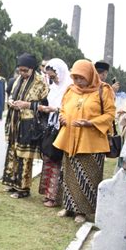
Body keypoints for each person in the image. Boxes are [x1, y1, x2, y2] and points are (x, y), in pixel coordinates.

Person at [54, 60, 115, 223]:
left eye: (81, 78)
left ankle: (82, 211)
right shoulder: (70, 89)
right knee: (68, 174)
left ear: (90, 75)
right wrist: (62, 117)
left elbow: (110, 114)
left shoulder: (103, 90)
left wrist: (90, 122)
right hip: (70, 138)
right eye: (75, 78)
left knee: (87, 177)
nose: (78, 82)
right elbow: (64, 107)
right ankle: (68, 207)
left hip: (91, 142)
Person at [2, 53, 49, 199]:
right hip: (15, 121)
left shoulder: (40, 82)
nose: (22, 73)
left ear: (32, 69)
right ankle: (11, 183)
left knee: (24, 156)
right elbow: (12, 95)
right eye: (20, 70)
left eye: (25, 71)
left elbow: (45, 105)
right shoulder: (18, 80)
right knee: (12, 152)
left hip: (29, 124)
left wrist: (27, 105)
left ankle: (23, 188)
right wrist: (11, 101)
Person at [37, 58, 72, 207]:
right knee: (48, 158)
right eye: (50, 77)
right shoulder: (54, 88)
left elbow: (69, 109)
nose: (52, 79)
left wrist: (55, 110)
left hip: (63, 128)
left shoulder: (69, 88)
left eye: (54, 76)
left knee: (57, 160)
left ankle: (55, 196)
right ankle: (47, 193)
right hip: (51, 126)